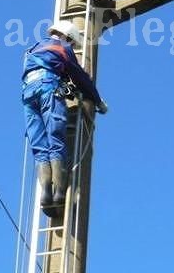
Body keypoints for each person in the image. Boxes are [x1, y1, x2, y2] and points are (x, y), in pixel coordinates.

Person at [21, 20, 107, 211]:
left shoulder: (31, 50)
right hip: (47, 90)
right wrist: (97, 100)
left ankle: (45, 193)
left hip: (28, 96)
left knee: (39, 146)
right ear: (67, 36)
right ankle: (60, 192)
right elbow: (80, 77)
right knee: (55, 140)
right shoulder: (61, 47)